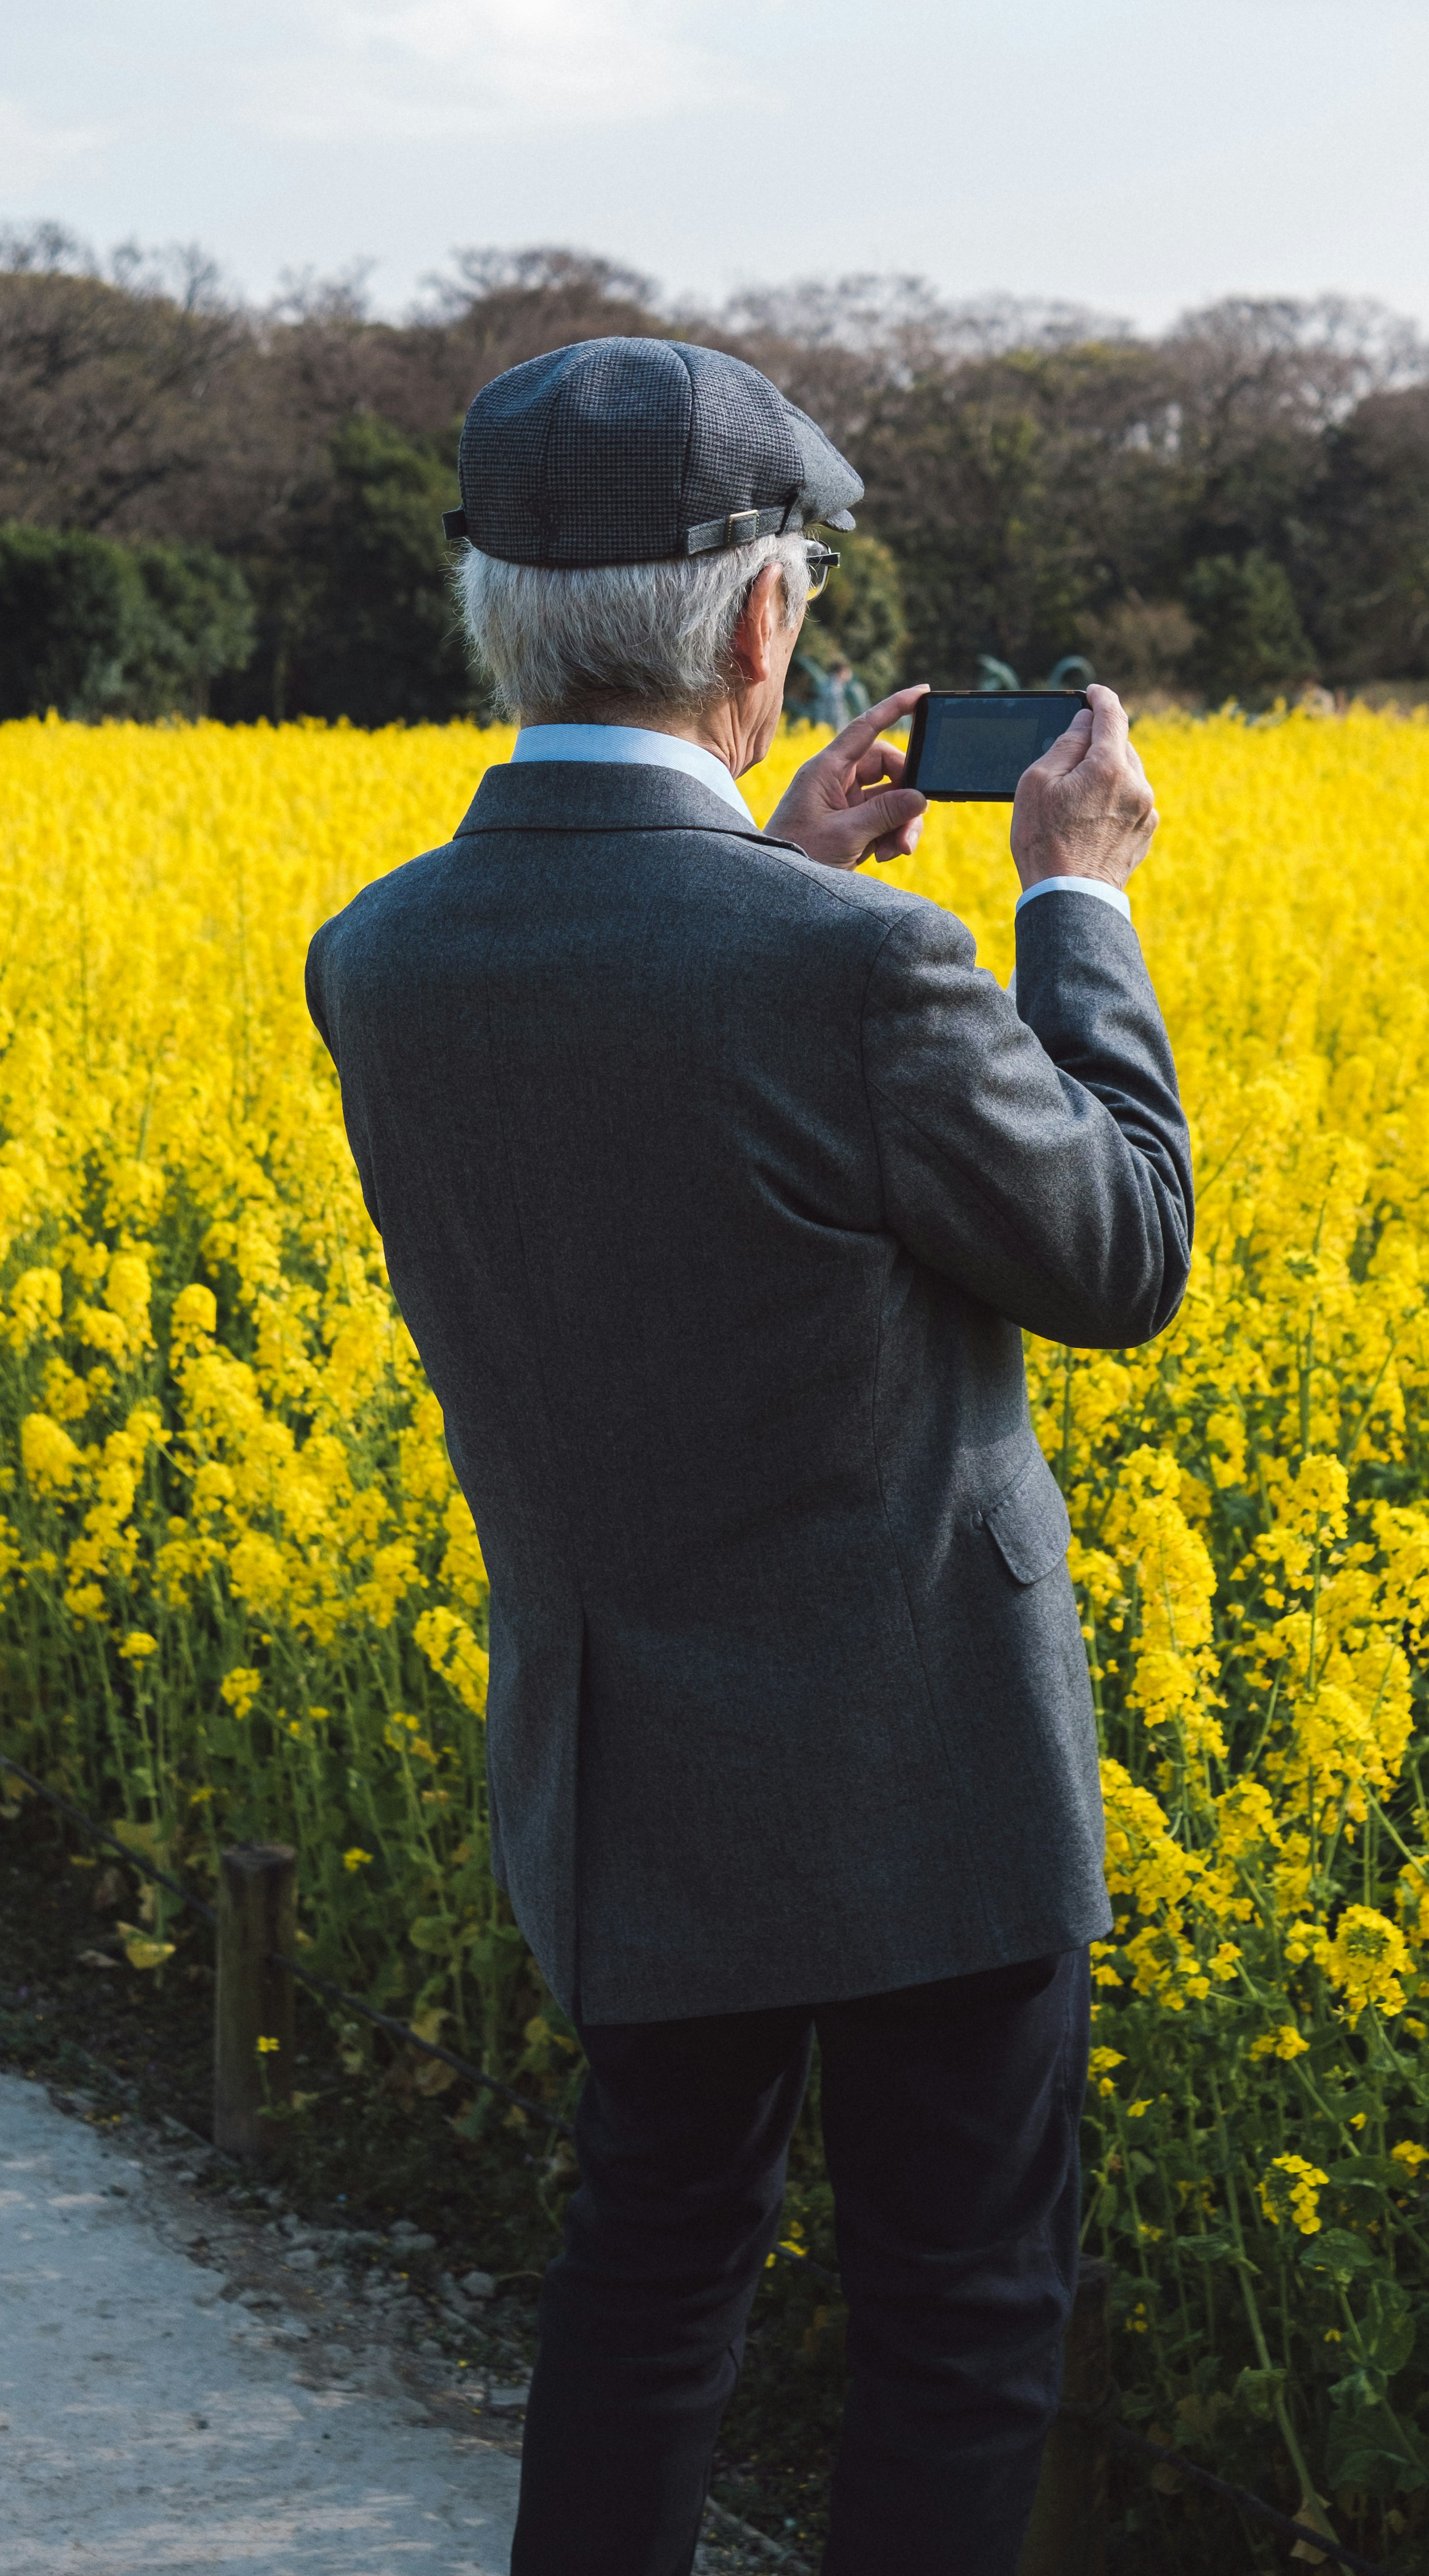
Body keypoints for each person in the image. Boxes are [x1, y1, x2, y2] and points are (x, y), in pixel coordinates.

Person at [305, 335, 1193, 2576]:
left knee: (647, 2285)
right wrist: (1073, 900)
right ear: (769, 628)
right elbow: (1120, 1249)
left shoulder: (380, 958)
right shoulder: (859, 970)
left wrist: (787, 872)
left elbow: (655, 1137)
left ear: (497, 617)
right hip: (929, 1779)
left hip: (626, 1771)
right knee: (961, 2318)